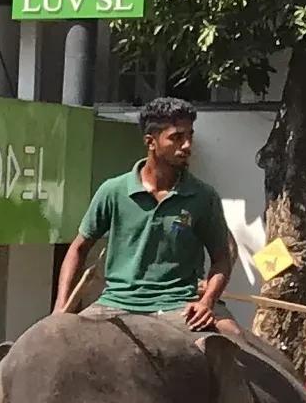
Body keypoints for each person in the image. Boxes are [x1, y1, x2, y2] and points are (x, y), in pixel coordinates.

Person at [55, 97, 235, 328]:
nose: (187, 145)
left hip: (178, 305)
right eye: (177, 137)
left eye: (190, 136)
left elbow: (222, 259)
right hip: (114, 304)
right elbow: (78, 248)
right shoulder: (113, 191)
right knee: (54, 339)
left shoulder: (203, 196)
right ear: (151, 142)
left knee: (231, 333)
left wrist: (207, 302)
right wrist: (60, 307)